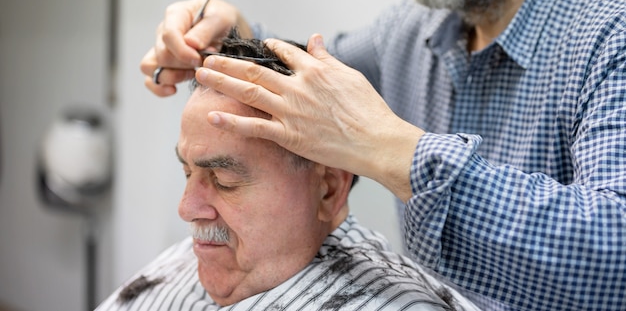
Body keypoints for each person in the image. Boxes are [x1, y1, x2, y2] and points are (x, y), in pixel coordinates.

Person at [140, 0, 626, 310]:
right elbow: (311, 85)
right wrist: (237, 31)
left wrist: (395, 152)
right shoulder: (413, 30)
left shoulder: (612, 34)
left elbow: (617, 254)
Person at [98, 32, 480, 311]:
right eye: (187, 173)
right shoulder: (198, 255)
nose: (187, 208)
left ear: (328, 191)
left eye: (224, 181)